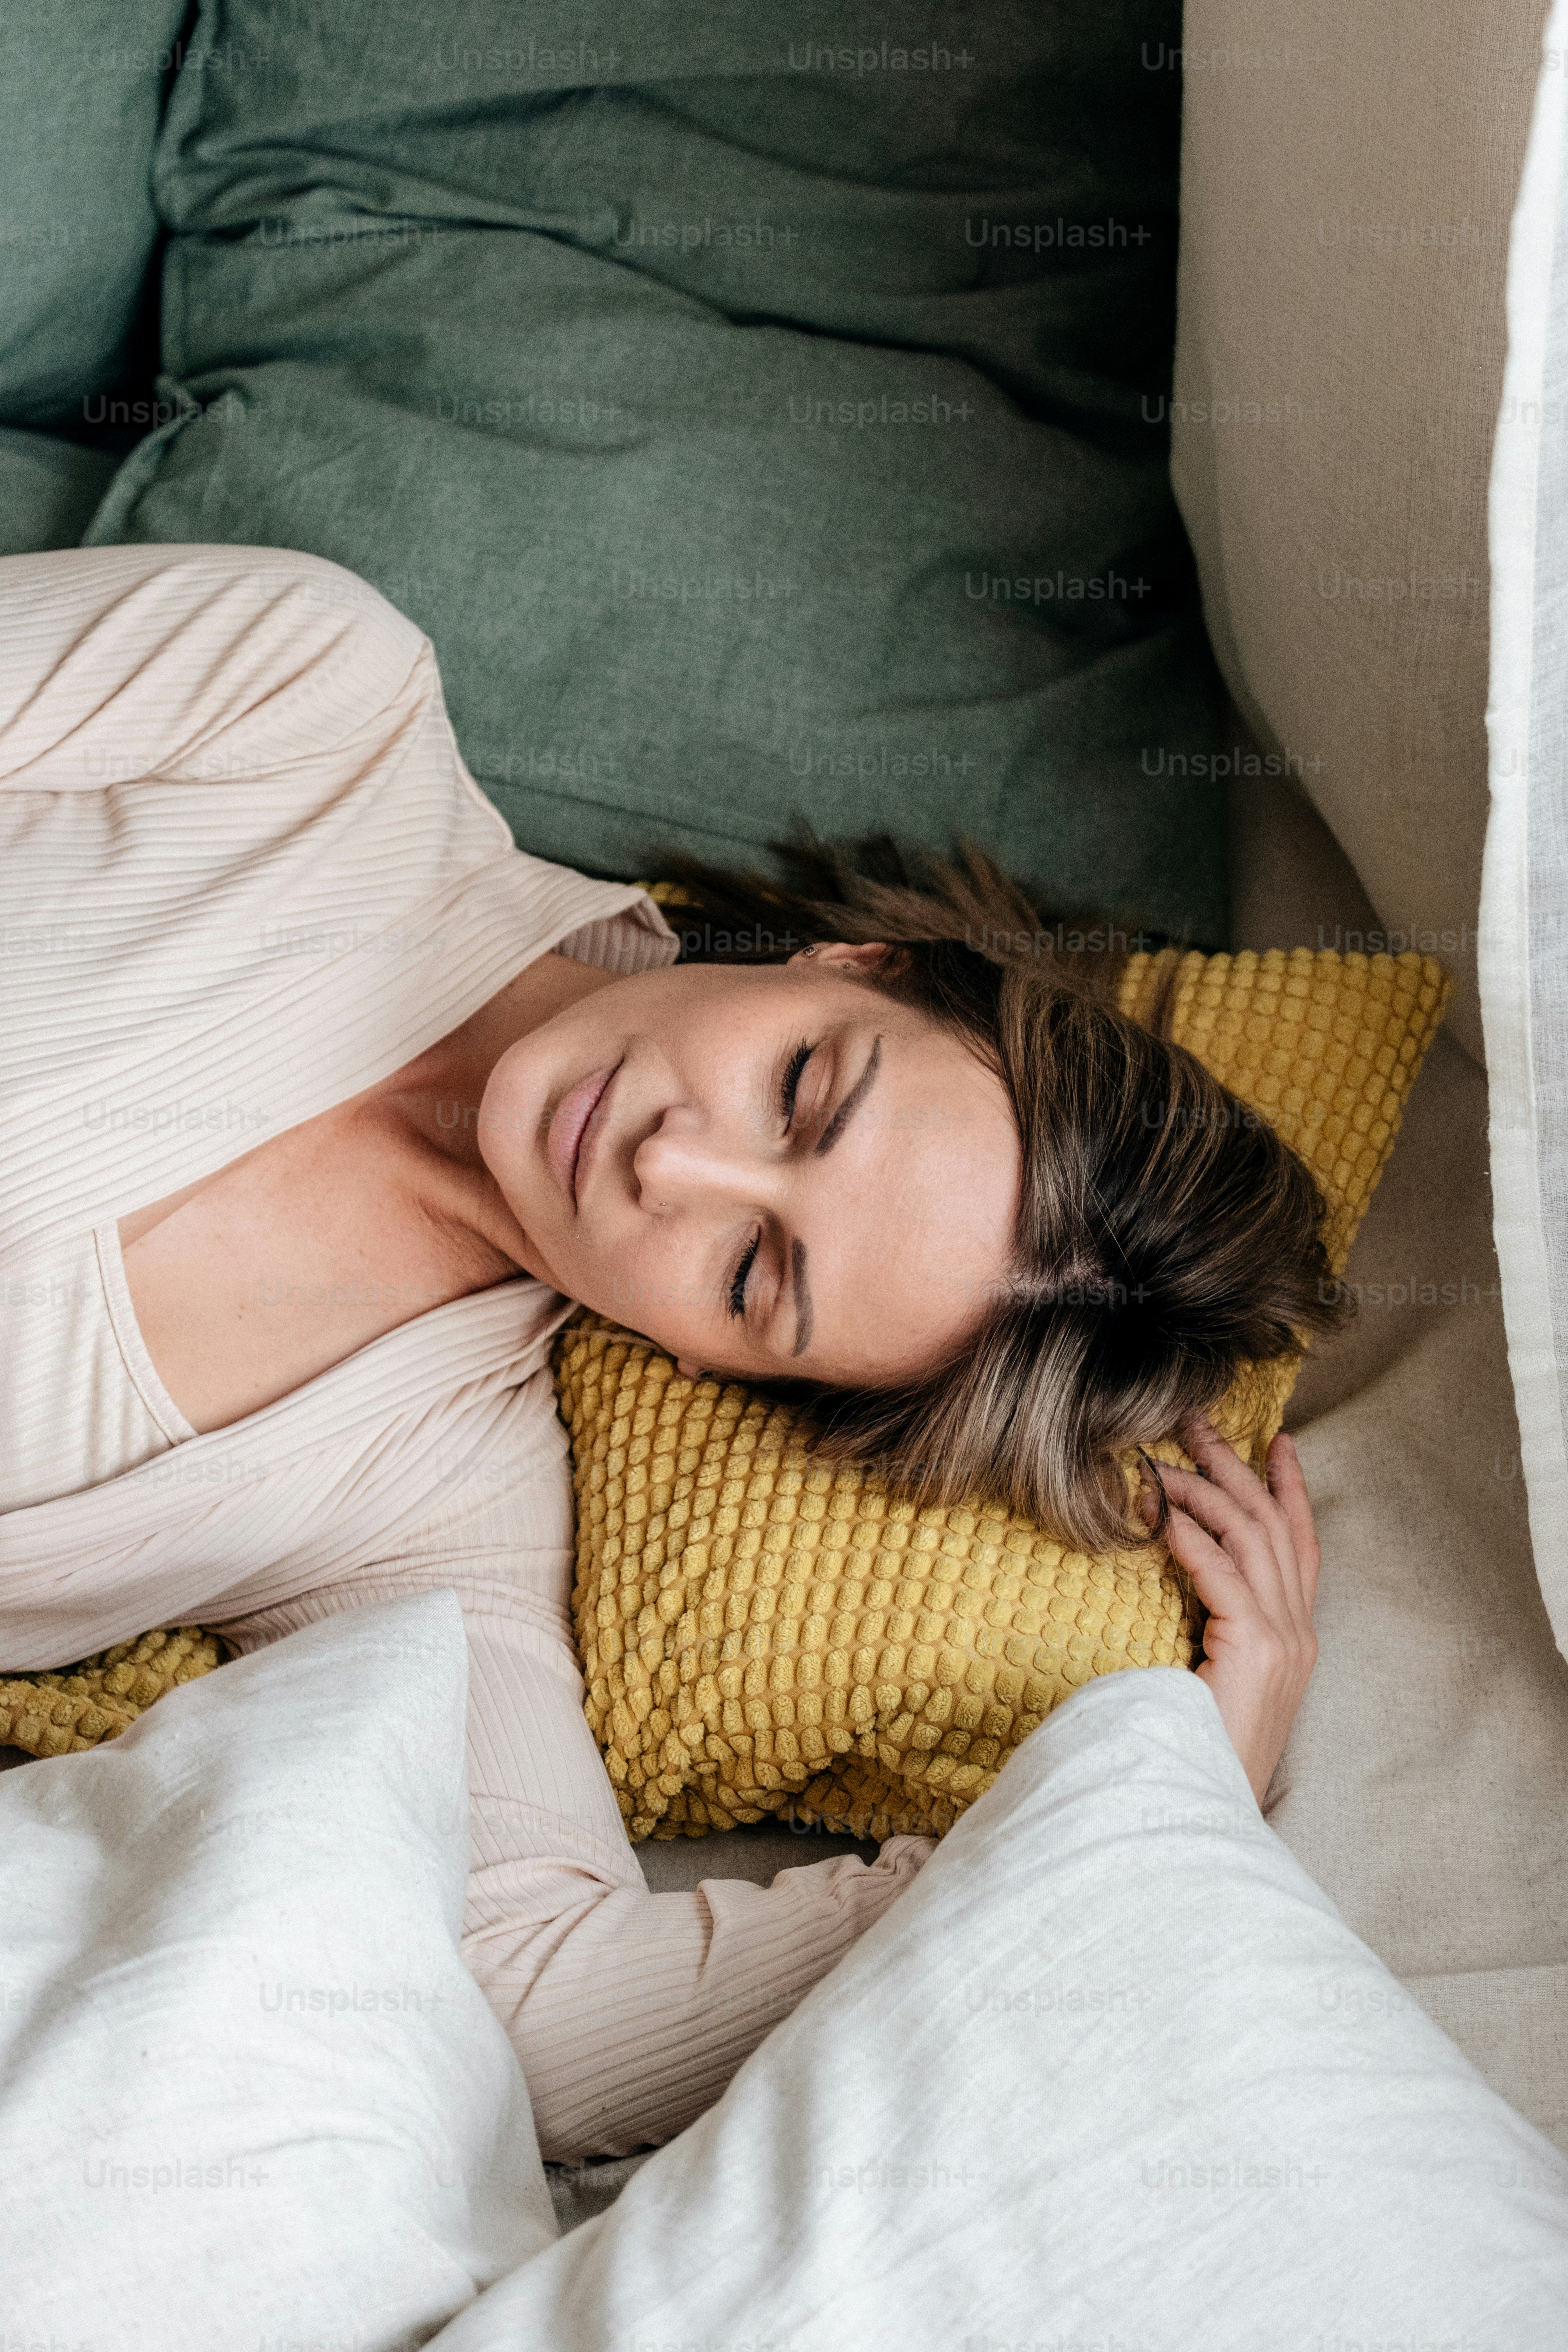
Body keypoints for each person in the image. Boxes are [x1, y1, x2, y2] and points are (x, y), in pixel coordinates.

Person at [0, 543, 1334, 2160]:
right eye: (801, 1094)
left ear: (723, 1371)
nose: (666, 1164)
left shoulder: (419, 1511)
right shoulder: (305, 702)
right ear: (853, 964)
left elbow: (551, 2026)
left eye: (756, 1275)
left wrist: (1170, 1802)